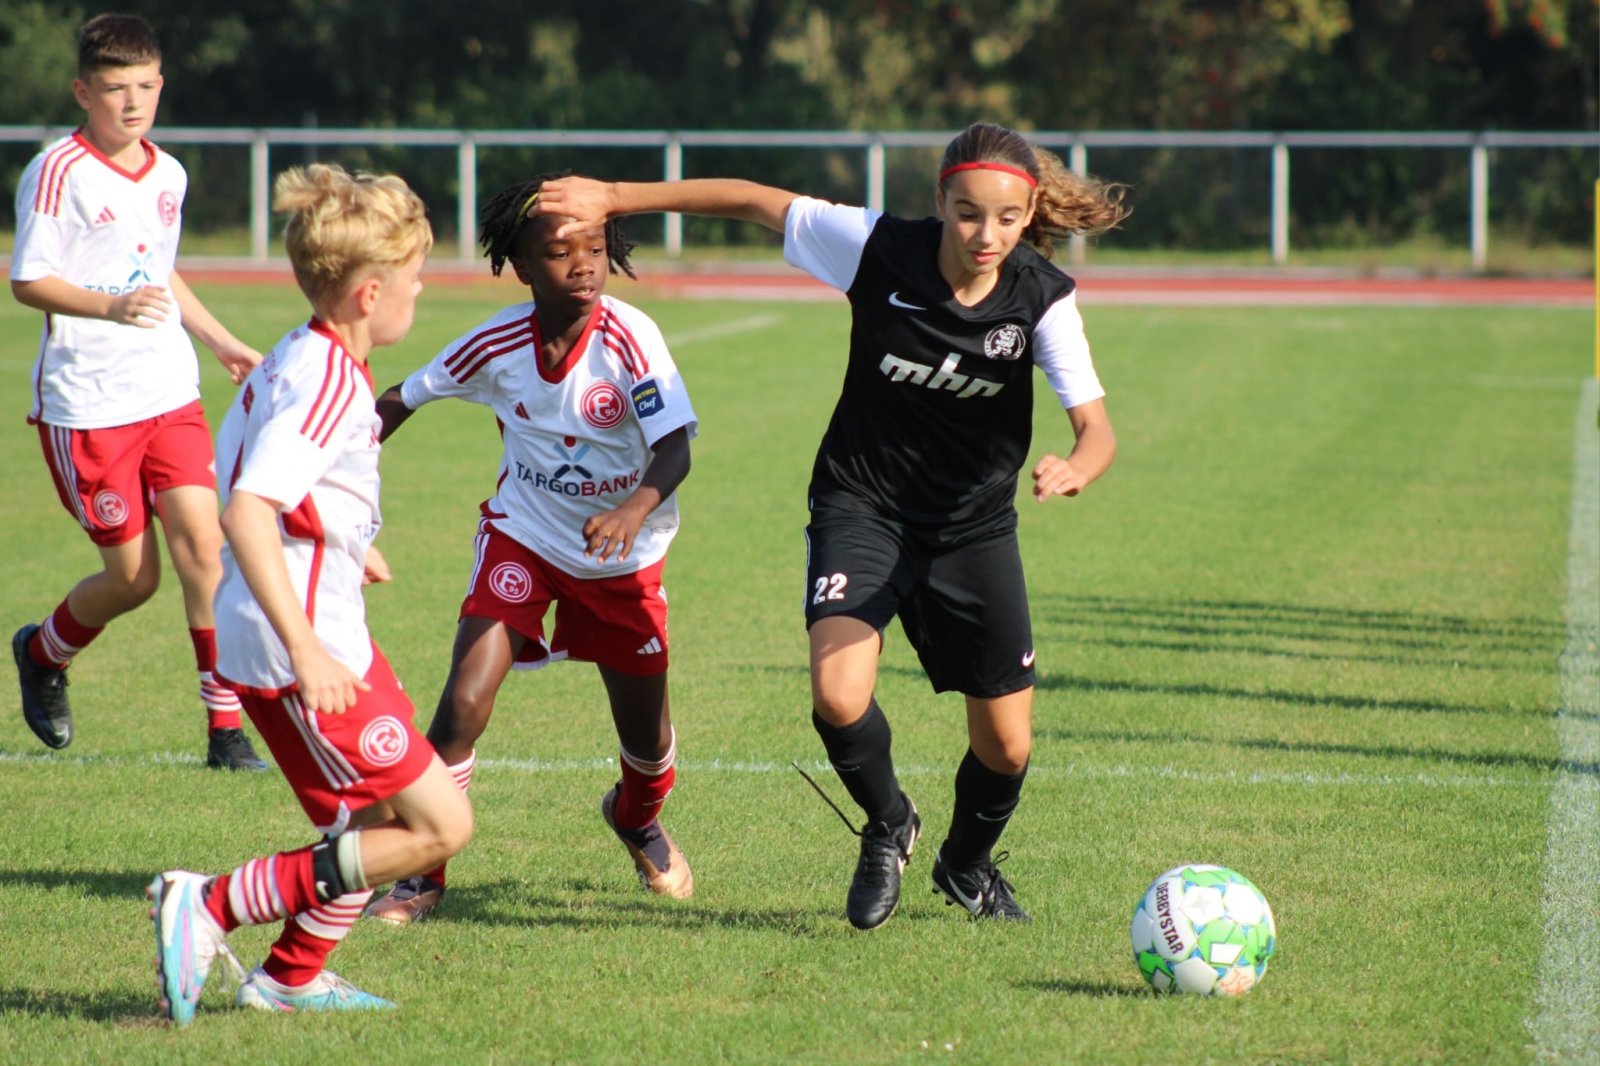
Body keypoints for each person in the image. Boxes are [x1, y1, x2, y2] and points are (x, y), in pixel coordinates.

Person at [537, 123, 1124, 930]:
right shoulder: (875, 247)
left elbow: (1097, 428)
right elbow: (750, 202)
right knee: (838, 696)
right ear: (939, 204)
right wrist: (613, 197)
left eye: (1006, 219)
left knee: (1007, 749)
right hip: (863, 505)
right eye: (966, 215)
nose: (985, 235)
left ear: (1028, 217)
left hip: (972, 529)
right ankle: (889, 824)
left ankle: (965, 863)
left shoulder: (1043, 297)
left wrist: (1076, 467)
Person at [146, 163, 473, 1023]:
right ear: (371, 294)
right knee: (438, 827)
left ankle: (289, 978)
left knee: (369, 825)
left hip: (314, 630)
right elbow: (246, 508)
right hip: (301, 649)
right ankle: (211, 905)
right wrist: (307, 650)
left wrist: (343, 539)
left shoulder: (300, 355)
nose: (420, 294)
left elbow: (270, 484)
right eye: (414, 281)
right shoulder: (328, 381)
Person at [362, 174, 699, 924]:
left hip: (625, 560)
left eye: (595, 247)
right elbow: (402, 398)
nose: (583, 263)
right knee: (462, 705)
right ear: (520, 267)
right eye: (559, 252)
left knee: (647, 739)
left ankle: (635, 816)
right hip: (526, 538)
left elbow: (675, 446)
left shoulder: (631, 338)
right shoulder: (497, 343)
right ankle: (422, 870)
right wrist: (335, 452)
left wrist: (633, 508)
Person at [9, 14, 267, 770]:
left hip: (168, 391)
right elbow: (29, 278)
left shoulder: (168, 172)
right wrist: (108, 305)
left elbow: (156, 269)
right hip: (88, 405)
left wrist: (219, 340)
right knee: (133, 580)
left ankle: (225, 730)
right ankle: (44, 652)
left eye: (146, 87)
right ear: (82, 91)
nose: (133, 103)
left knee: (205, 549)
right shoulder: (58, 171)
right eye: (115, 89)